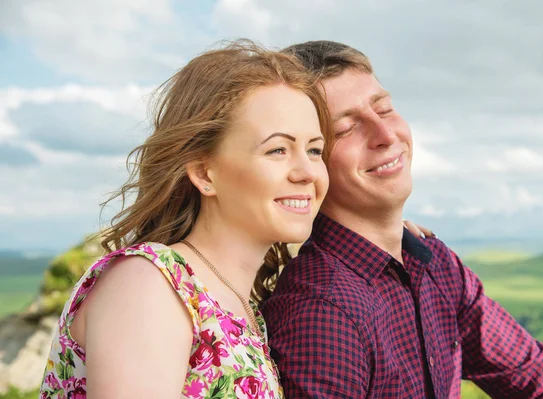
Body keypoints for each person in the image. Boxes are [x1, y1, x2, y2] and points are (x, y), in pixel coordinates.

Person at [261, 41, 543, 399]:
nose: (386, 135)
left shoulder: (433, 264)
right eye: (346, 129)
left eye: (385, 109)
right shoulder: (322, 312)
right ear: (310, 161)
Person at [39, 40, 333, 398]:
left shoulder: (242, 305)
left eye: (314, 149)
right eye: (277, 150)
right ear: (204, 174)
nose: (307, 172)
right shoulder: (151, 283)